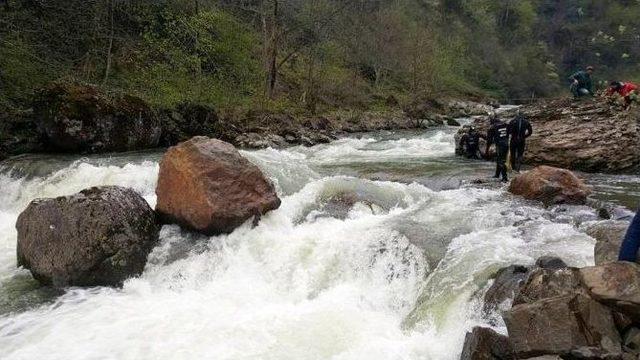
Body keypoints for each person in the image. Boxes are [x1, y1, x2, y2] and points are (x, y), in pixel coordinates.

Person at [485, 114, 510, 182]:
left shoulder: (492, 127)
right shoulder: (506, 124)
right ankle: (497, 174)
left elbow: (489, 140)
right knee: (500, 159)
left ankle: (505, 178)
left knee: (501, 161)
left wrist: (487, 150)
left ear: (492, 122)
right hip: (506, 144)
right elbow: (509, 133)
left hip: (500, 145)